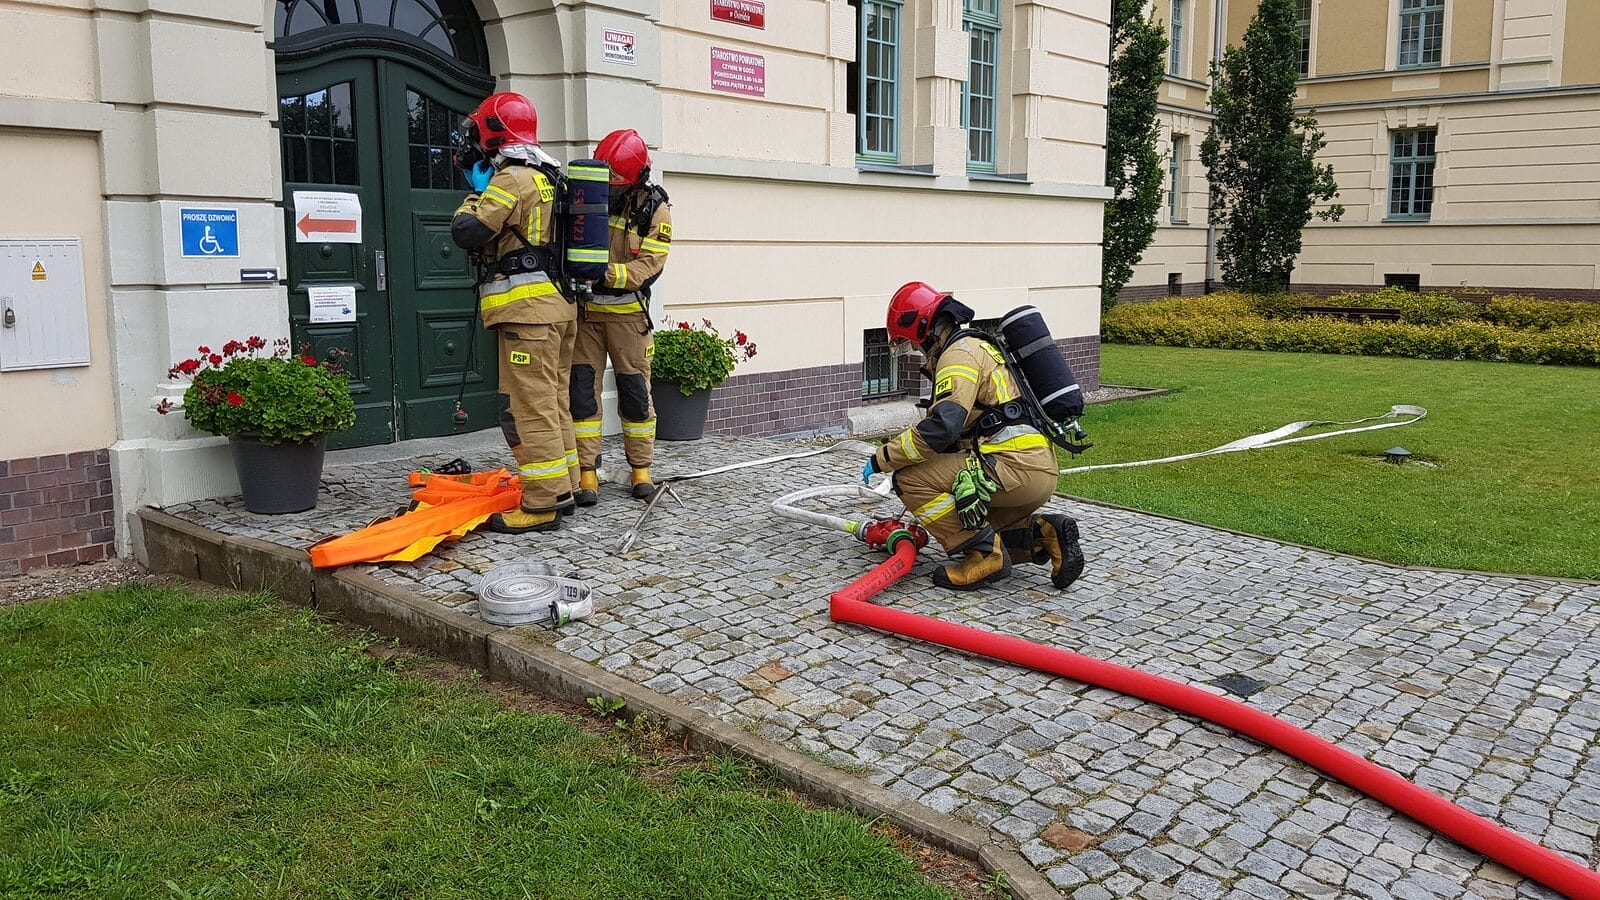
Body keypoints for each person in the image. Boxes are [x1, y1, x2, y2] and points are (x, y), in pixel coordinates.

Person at [862, 282, 1084, 590]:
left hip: (1010, 467)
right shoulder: (978, 347)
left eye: (911, 341)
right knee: (970, 515)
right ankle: (1044, 535)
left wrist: (883, 458)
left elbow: (941, 428)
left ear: (924, 327)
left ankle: (984, 557)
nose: (913, 348)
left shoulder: (958, 355)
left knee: (909, 479)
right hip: (1037, 471)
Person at [450, 91, 580, 533]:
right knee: (553, 400)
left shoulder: (512, 179)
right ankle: (568, 486)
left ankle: (544, 502)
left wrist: (474, 192)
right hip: (560, 308)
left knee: (528, 405)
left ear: (493, 133)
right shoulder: (552, 175)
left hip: (528, 312)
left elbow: (469, 232)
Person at [569, 128, 673, 504]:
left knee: (634, 396)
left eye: (617, 185)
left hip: (628, 318)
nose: (609, 191)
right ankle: (586, 474)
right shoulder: (585, 194)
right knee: (582, 395)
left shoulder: (654, 210)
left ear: (635, 180)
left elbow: (648, 266)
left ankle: (641, 471)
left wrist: (604, 273)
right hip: (585, 316)